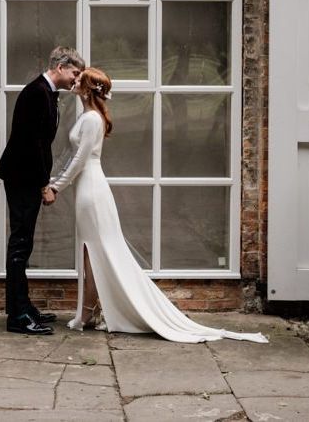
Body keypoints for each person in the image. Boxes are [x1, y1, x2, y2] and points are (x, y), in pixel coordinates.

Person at [49, 67, 268, 343]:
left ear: (88, 88)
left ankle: (88, 312)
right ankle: (89, 310)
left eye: (81, 79)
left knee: (93, 251)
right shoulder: (87, 115)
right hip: (86, 187)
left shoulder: (92, 119)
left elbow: (80, 159)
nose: (76, 80)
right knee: (89, 251)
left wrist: (56, 186)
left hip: (91, 189)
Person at [0, 46, 85, 335]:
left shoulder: (46, 93)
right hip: (23, 178)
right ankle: (17, 316)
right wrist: (43, 184)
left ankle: (24, 307)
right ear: (60, 67)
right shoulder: (36, 93)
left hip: (26, 177)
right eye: (74, 72)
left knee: (24, 244)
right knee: (20, 245)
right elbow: (31, 144)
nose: (76, 78)